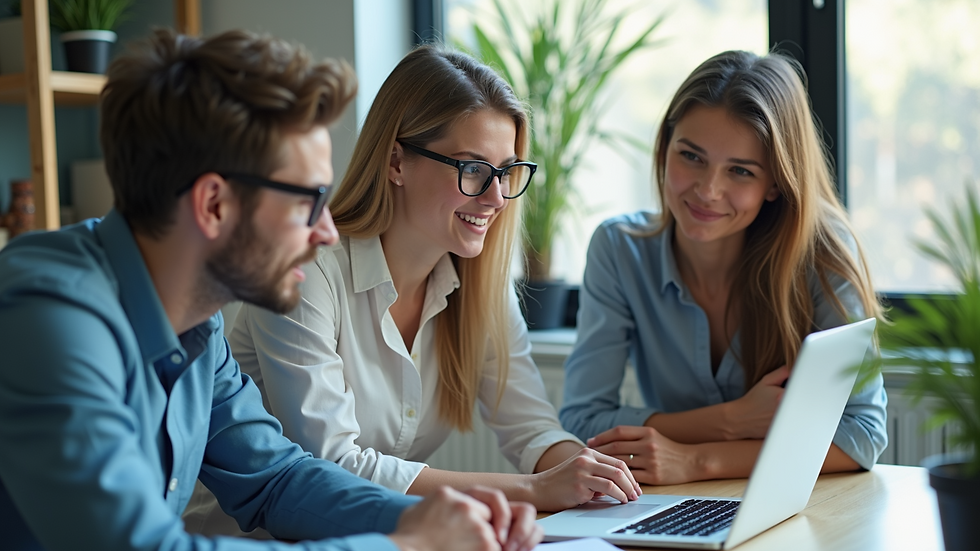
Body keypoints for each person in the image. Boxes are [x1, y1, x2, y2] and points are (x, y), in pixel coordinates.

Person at [0, 28, 542, 551]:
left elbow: (275, 478)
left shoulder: (196, 323)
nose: (328, 231)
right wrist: (409, 545)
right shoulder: (49, 318)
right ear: (214, 205)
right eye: (307, 202)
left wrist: (431, 518)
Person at [183, 44, 640, 536]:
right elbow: (334, 465)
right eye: (472, 169)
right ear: (397, 161)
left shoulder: (479, 283)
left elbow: (530, 428)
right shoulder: (308, 270)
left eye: (507, 172)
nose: (496, 197)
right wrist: (532, 490)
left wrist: (589, 474)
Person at [559, 50, 889, 485]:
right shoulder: (619, 248)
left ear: (775, 183)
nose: (708, 191)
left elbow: (863, 435)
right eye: (691, 157)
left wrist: (698, 460)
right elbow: (584, 420)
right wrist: (731, 420)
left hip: (799, 505)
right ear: (665, 148)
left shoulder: (823, 253)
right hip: (668, 505)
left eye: (740, 171)